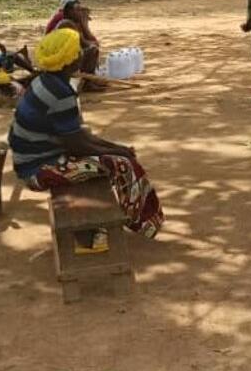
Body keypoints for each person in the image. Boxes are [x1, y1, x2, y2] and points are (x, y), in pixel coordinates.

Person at [8, 29, 164, 240]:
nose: (83, 53)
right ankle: (143, 222)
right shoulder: (61, 93)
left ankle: (134, 217)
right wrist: (119, 152)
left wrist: (116, 148)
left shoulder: (46, 81)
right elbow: (77, 144)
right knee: (123, 165)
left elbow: (77, 137)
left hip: (36, 158)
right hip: (37, 170)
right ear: (70, 60)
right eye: (78, 50)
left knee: (118, 156)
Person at [47, 0, 102, 78]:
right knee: (92, 50)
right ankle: (87, 80)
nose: (81, 12)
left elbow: (88, 40)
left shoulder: (73, 21)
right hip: (56, 61)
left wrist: (84, 25)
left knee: (89, 49)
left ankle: (88, 77)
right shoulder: (65, 22)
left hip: (61, 58)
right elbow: (86, 43)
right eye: (78, 10)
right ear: (69, 11)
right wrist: (85, 25)